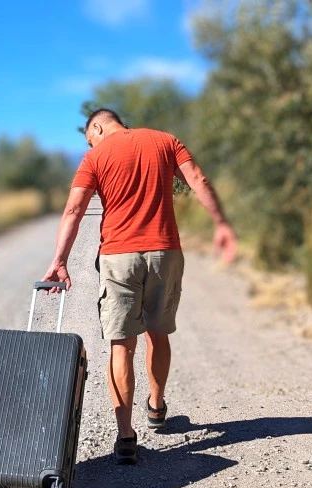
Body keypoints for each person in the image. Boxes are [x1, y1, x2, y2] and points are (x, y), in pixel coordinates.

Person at [42, 109, 237, 465]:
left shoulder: (95, 156)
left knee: (121, 345)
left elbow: (73, 210)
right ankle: (156, 406)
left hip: (118, 257)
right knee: (158, 335)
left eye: (90, 137)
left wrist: (59, 260)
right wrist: (221, 224)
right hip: (165, 251)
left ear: (97, 127)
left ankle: (126, 436)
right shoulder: (166, 141)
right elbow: (198, 181)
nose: (91, 143)